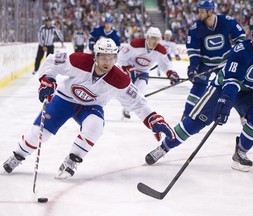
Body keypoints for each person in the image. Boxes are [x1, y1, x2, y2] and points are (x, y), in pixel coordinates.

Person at [2, 38, 175, 179]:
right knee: (40, 134)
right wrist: (47, 79)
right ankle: (17, 155)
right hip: (64, 99)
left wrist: (153, 118)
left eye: (111, 57)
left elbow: (137, 101)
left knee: (95, 126)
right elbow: (52, 61)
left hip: (91, 107)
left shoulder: (119, 80)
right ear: (95, 56)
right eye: (103, 57)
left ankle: (71, 160)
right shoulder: (79, 61)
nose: (107, 61)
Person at [144, 19, 253, 172]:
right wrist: (225, 102)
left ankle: (241, 152)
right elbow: (231, 83)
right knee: (195, 122)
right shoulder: (242, 51)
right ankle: (164, 147)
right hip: (222, 88)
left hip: (248, 92)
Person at [181, 0, 246, 120]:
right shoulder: (196, 28)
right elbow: (194, 51)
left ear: (210, 11)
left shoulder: (226, 21)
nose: (199, 14)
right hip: (205, 63)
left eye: (201, 12)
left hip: (225, 62)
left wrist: (237, 55)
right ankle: (187, 114)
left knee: (231, 86)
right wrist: (193, 68)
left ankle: (244, 116)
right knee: (198, 85)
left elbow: (241, 37)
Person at [117, 26, 180, 120]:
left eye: (157, 39)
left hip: (143, 71)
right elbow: (121, 57)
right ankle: (126, 108)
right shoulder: (136, 44)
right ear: (147, 38)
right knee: (129, 90)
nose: (155, 41)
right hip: (129, 68)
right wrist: (127, 67)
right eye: (153, 38)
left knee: (140, 91)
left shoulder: (161, 50)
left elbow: (165, 65)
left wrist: (171, 73)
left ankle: (127, 109)